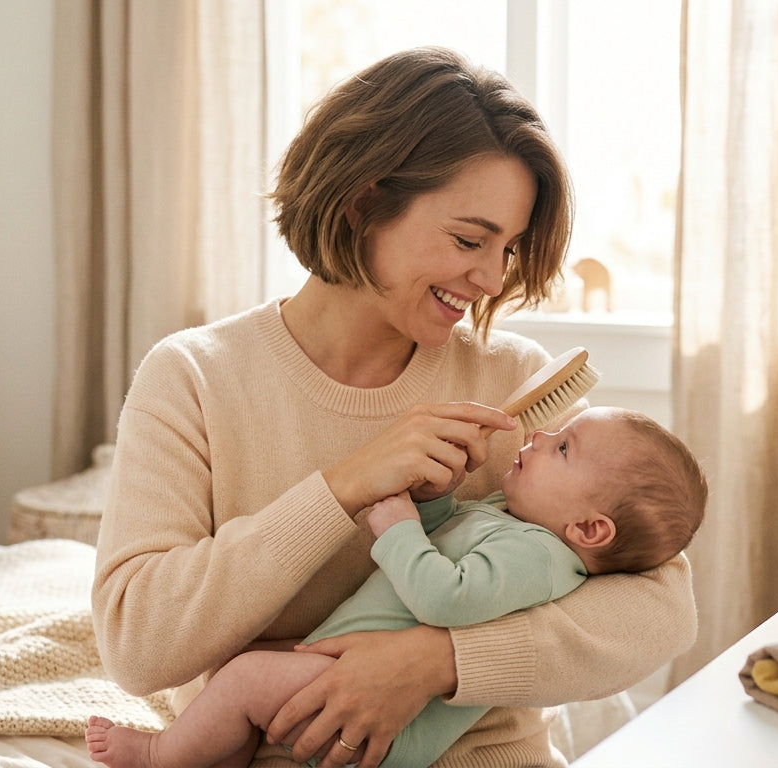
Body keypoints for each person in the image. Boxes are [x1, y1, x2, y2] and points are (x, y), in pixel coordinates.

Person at [90, 45, 699, 768]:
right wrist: (344, 488)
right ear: (364, 203)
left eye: (508, 248)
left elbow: (663, 613)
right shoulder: (194, 377)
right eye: (470, 239)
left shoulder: (515, 384)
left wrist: (438, 660)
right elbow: (138, 643)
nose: (490, 278)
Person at [86, 406, 707, 768]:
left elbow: (447, 597)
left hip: (388, 730)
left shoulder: (539, 554)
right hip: (337, 678)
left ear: (591, 529)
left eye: (562, 447)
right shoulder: (516, 517)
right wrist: (432, 505)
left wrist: (401, 536)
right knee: (247, 670)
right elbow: (452, 552)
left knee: (248, 677)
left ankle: (160, 756)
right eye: (468, 240)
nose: (536, 437)